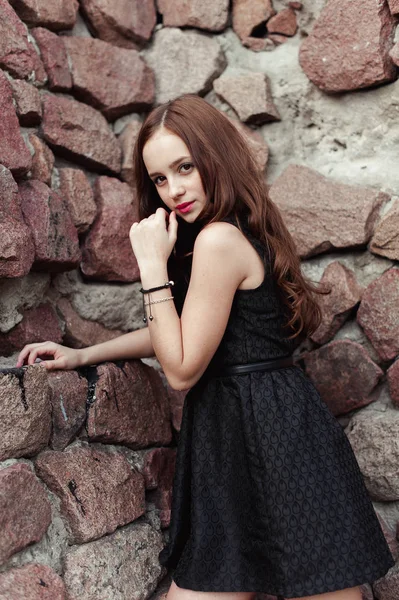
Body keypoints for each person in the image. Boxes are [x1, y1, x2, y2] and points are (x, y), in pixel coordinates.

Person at [17, 94, 394, 600]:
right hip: (247, 431)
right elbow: (186, 332)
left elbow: (182, 369)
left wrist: (151, 267)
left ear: (215, 157)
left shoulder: (218, 240)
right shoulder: (226, 232)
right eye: (159, 179)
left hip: (273, 435)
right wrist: (84, 355)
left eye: (185, 167)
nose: (174, 190)